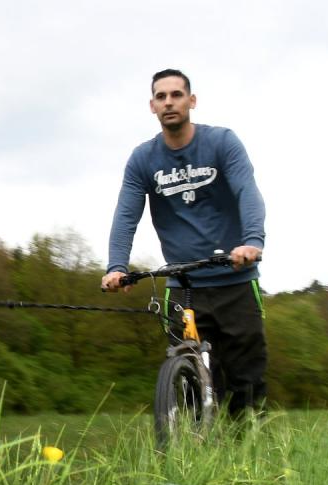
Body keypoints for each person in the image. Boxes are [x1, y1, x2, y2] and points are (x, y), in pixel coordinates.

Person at [101, 68, 267, 416]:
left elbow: (246, 191)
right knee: (192, 381)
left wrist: (252, 242)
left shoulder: (222, 142)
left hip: (234, 279)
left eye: (176, 95)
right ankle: (197, 451)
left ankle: (251, 450)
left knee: (245, 384)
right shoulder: (143, 159)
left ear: (191, 101)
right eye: (161, 97)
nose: (169, 102)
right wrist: (117, 266)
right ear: (152, 106)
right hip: (183, 285)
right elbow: (126, 215)